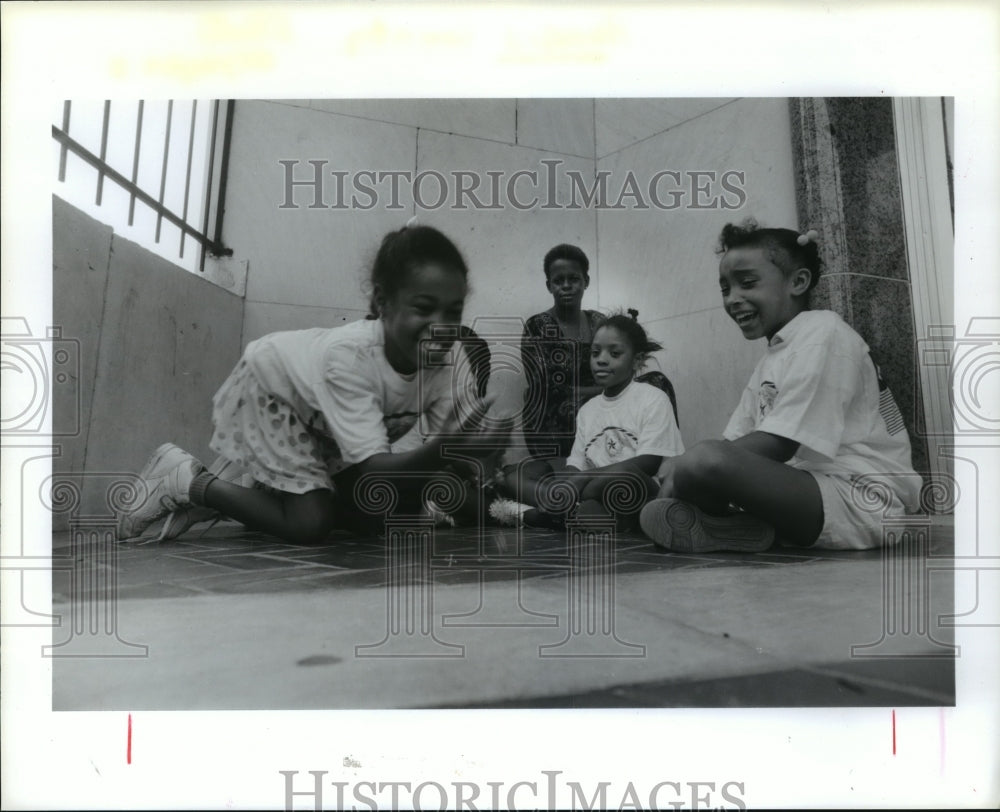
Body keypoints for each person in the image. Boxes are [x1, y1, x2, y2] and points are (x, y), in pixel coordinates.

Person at [116, 223, 508, 545]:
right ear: (383, 303)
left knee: (384, 517)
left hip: (319, 422)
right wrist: (446, 450)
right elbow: (378, 469)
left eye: (453, 311)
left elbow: (447, 450)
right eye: (423, 308)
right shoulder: (350, 358)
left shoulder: (451, 356)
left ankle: (258, 496)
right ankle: (188, 480)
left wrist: (481, 451)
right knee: (310, 523)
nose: (441, 325)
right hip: (270, 391)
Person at [640, 220, 922, 553]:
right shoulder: (774, 354)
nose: (733, 299)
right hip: (807, 490)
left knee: (702, 459)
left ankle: (720, 518)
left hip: (862, 499)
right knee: (686, 468)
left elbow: (779, 444)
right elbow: (734, 444)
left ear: (798, 281)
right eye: (725, 289)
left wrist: (689, 466)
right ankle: (737, 531)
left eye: (747, 283)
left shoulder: (823, 333)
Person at [494, 311, 684, 530]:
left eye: (614, 353)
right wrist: (567, 485)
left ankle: (546, 514)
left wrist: (582, 480)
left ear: (637, 360)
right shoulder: (587, 410)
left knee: (623, 476)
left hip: (639, 489)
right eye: (595, 353)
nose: (601, 360)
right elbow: (576, 465)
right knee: (513, 477)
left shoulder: (653, 398)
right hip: (592, 489)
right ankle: (570, 511)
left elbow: (649, 462)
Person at [520, 244, 606, 460]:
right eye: (559, 281)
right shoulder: (538, 325)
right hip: (556, 421)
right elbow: (551, 388)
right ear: (549, 286)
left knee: (656, 383)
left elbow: (622, 369)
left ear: (586, 282)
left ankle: (663, 463)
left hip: (601, 408)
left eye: (574, 279)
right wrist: (603, 391)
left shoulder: (599, 322)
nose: (566, 286)